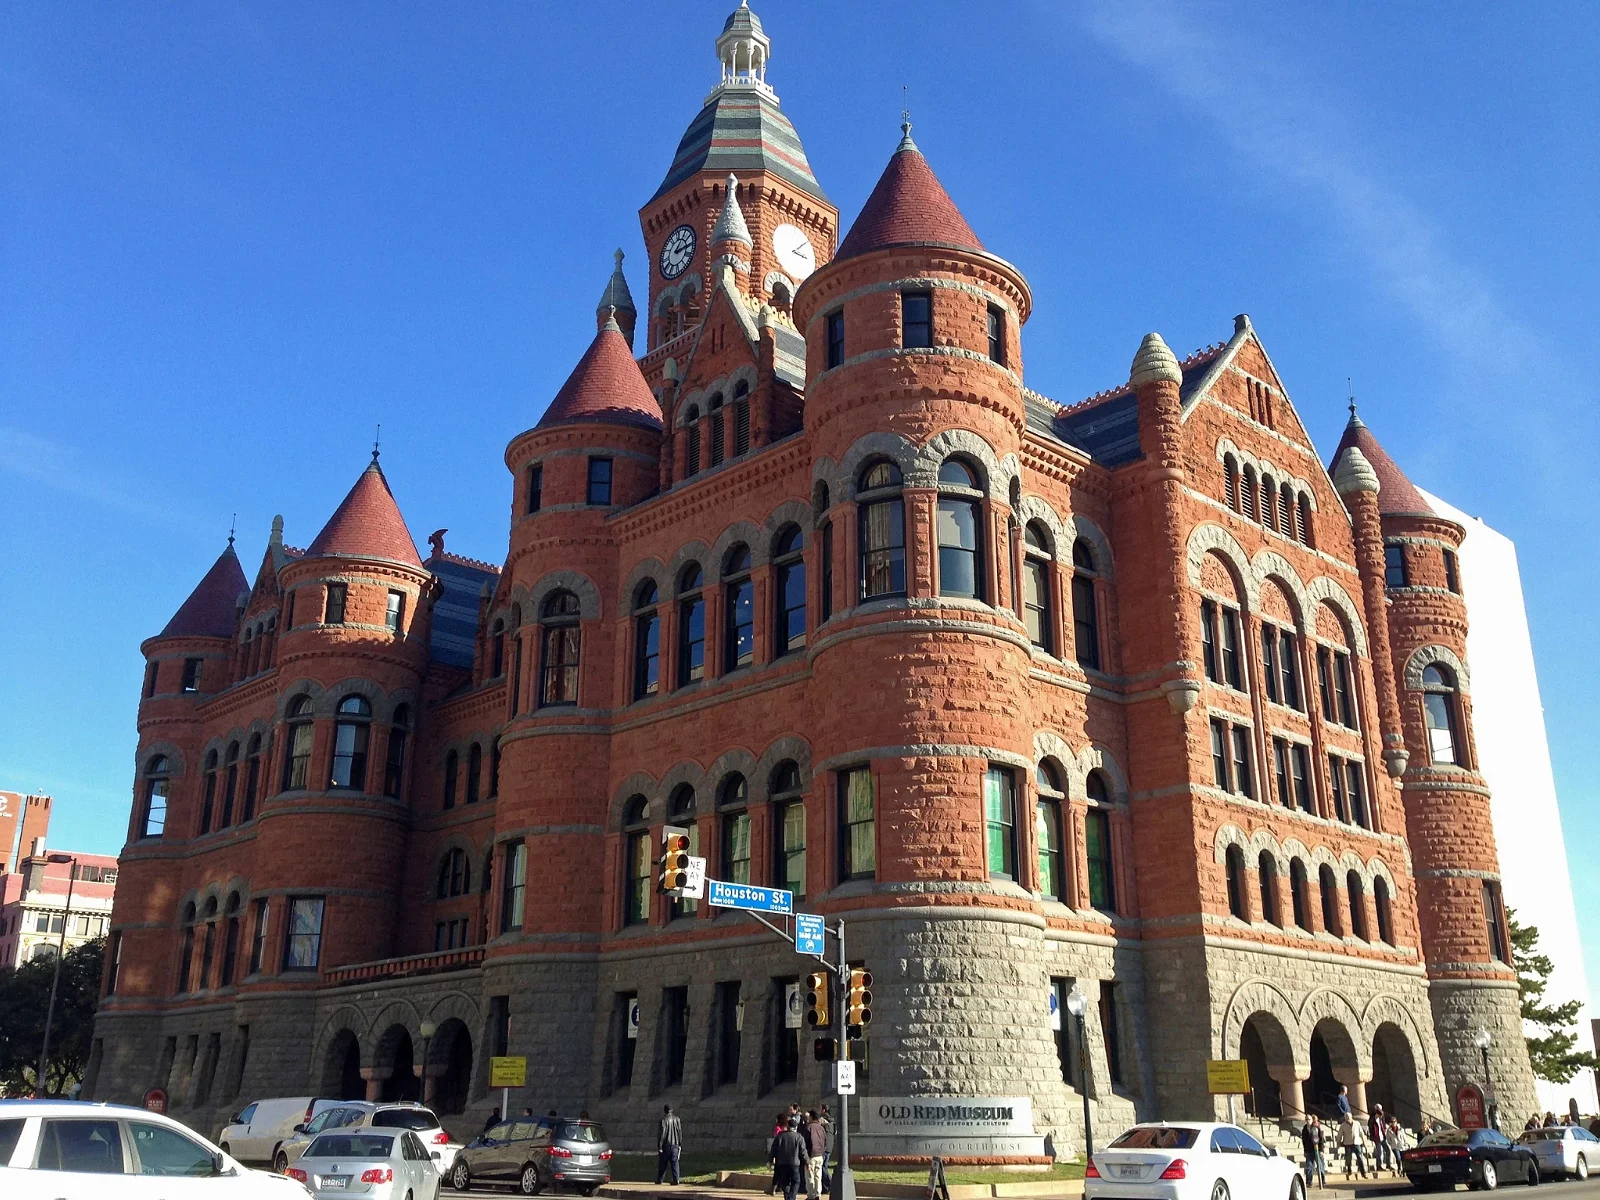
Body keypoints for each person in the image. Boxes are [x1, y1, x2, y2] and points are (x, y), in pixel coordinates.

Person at [769, 1115, 811, 1200]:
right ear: (796, 1127)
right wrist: (807, 1162)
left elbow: (773, 1149)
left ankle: (788, 1197)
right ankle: (791, 1197)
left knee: (785, 1183)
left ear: (788, 1126)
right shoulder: (799, 1137)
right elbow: (803, 1152)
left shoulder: (780, 1136)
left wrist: (770, 1160)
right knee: (796, 1182)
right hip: (794, 1164)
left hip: (781, 1163)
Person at [803, 1110, 827, 1200]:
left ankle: (810, 1195)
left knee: (809, 1176)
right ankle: (818, 1194)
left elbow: (804, 1143)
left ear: (812, 1117)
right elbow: (825, 1141)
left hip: (811, 1155)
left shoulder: (808, 1127)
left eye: (809, 1116)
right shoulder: (821, 1128)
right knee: (818, 1176)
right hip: (820, 1155)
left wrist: (805, 1157)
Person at [657, 1104, 683, 1186]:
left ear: (665, 1111)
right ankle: (676, 1179)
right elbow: (679, 1132)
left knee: (663, 1163)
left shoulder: (663, 1121)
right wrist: (679, 1143)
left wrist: (660, 1146)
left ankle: (660, 1179)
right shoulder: (677, 1119)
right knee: (675, 1162)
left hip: (666, 1145)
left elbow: (662, 1134)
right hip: (675, 1144)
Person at [1300, 1114, 1327, 1190]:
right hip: (1309, 1151)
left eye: (1309, 1119)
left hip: (1317, 1150)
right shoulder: (1304, 1129)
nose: (1308, 1121)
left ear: (1312, 1120)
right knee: (1309, 1167)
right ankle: (1309, 1182)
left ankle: (1322, 1181)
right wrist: (1305, 1151)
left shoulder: (1316, 1128)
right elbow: (1304, 1141)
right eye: (1306, 1119)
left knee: (1320, 1167)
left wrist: (1321, 1150)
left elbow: (1321, 1139)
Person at [1339, 1113, 1368, 1179]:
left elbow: (1361, 1133)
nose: (1347, 1118)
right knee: (1348, 1158)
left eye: (1348, 1117)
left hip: (1357, 1143)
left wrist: (1364, 1142)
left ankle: (1363, 1173)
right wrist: (1338, 1143)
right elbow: (1339, 1135)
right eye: (1346, 1117)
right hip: (1347, 1143)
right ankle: (1349, 1169)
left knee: (1360, 1157)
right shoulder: (1343, 1125)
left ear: (1351, 1117)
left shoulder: (1357, 1123)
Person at [819, 1106, 834, 1194]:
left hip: (824, 1147)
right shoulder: (832, 1121)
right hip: (830, 1146)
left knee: (822, 1167)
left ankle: (830, 1183)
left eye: (820, 1108)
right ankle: (825, 1187)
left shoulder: (822, 1120)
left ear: (823, 1110)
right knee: (824, 1165)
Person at [1368, 1103, 1388, 1172]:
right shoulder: (1372, 1118)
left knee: (1387, 1150)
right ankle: (1379, 1165)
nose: (1381, 1117)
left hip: (1383, 1136)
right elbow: (1370, 1126)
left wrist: (1385, 1130)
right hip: (1377, 1137)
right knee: (1379, 1151)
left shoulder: (1381, 1118)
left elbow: (1383, 1124)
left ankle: (1388, 1164)